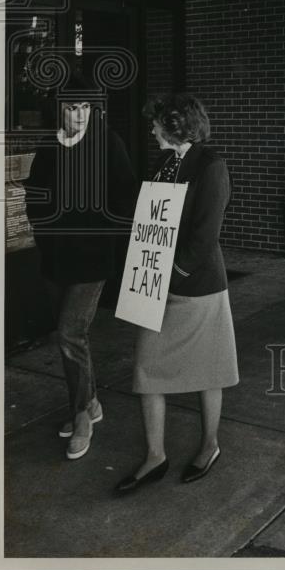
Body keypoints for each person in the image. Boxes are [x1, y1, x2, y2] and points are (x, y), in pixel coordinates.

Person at [115, 93, 238, 494]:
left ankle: (210, 445)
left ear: (176, 126)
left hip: (197, 285)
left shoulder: (210, 164)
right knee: (146, 367)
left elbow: (206, 233)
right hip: (156, 282)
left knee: (209, 370)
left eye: (157, 124)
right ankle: (155, 456)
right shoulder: (164, 163)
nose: (151, 130)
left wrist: (174, 273)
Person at [25, 70, 137, 461]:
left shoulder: (107, 142)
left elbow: (127, 196)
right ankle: (90, 402)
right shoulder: (48, 148)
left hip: (93, 261)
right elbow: (34, 199)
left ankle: (82, 416)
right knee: (71, 335)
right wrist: (46, 230)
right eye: (73, 107)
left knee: (71, 333)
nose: (81, 115)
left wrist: (104, 232)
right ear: (60, 109)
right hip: (56, 260)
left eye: (87, 107)